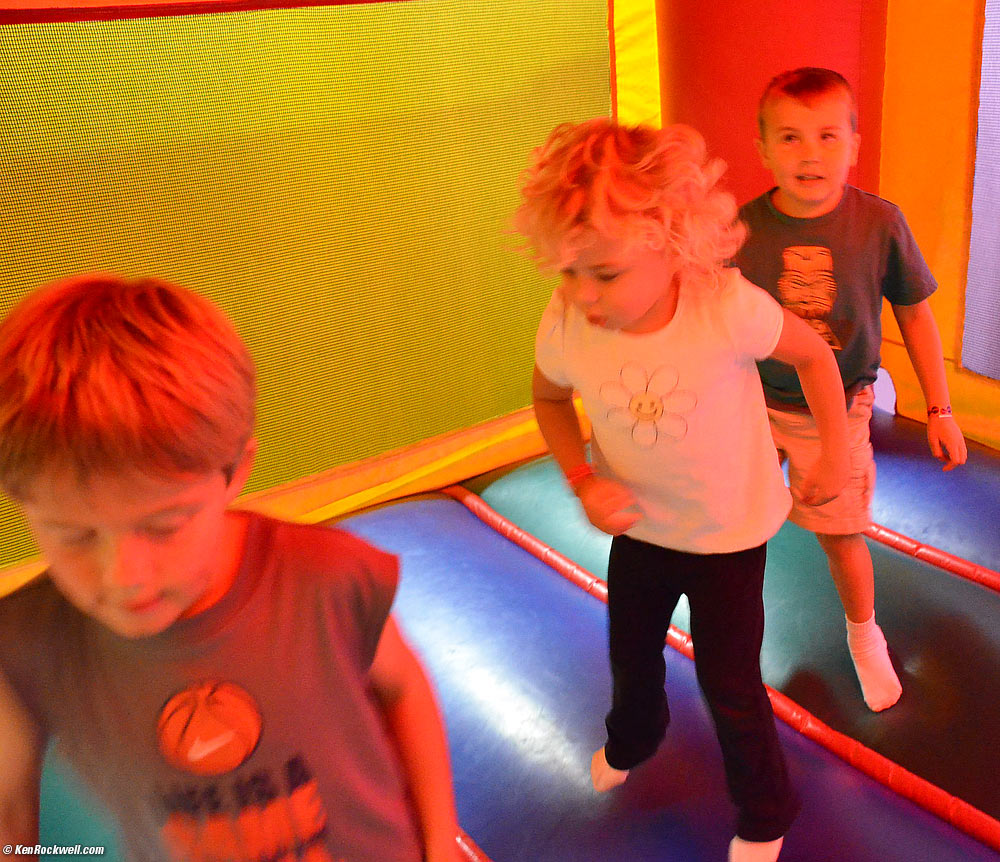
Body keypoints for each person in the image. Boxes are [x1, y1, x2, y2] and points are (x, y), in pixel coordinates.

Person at [0, 274, 463, 862]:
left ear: (236, 471)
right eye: (74, 535)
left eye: (165, 525)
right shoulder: (24, 645)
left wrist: (441, 842)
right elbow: (10, 809)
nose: (124, 577)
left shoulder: (325, 579)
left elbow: (403, 689)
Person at [514, 118, 851, 862]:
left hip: (727, 537)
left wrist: (832, 453)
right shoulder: (569, 320)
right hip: (640, 528)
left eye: (606, 274)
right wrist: (583, 481)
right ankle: (635, 738)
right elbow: (548, 398)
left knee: (731, 686)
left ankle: (766, 808)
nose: (583, 294)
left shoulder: (722, 306)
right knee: (630, 656)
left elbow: (814, 358)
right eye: (568, 272)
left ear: (671, 245)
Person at [734, 67, 968, 713]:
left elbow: (914, 314)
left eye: (827, 136)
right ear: (763, 149)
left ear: (854, 145)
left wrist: (940, 408)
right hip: (753, 400)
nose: (809, 154)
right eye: (790, 137)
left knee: (839, 533)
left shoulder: (878, 223)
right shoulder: (741, 228)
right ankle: (735, 630)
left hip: (835, 409)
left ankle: (865, 635)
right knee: (737, 527)